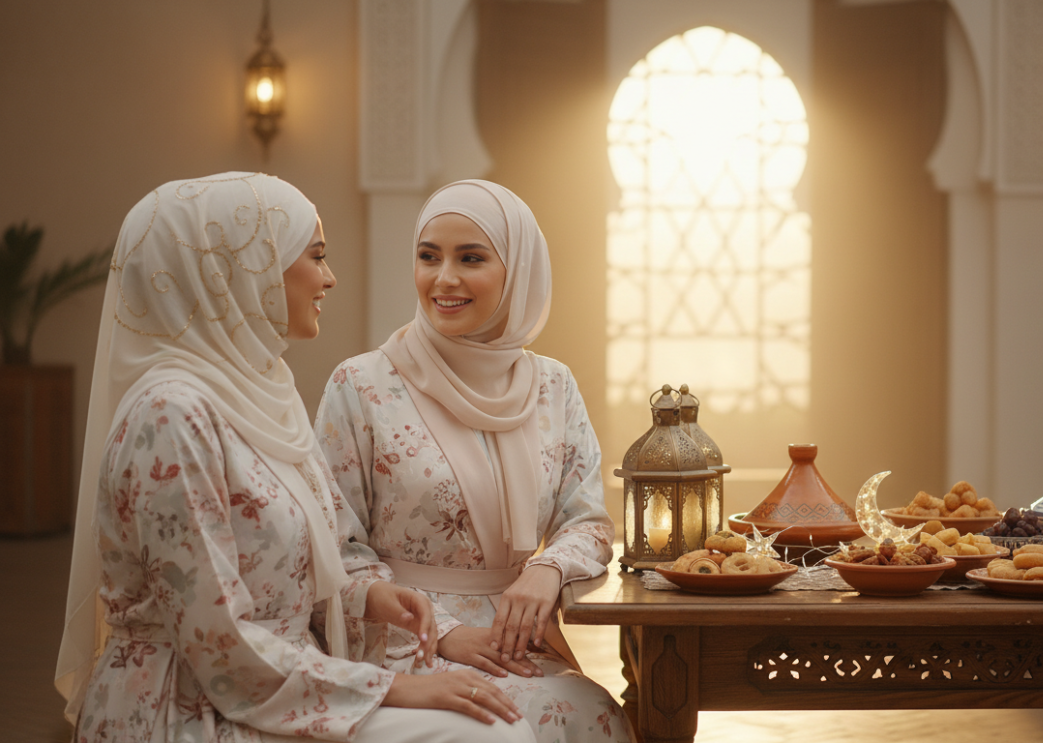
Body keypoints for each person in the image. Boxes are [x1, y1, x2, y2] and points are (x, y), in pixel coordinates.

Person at [54, 172, 535, 743]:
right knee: (491, 734)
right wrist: (392, 687)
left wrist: (373, 596)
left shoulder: (261, 394)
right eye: (316, 255)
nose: (329, 278)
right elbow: (215, 641)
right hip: (194, 706)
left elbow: (312, 550)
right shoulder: (170, 417)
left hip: (287, 681)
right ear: (240, 267)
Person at [314, 180, 632, 743]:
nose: (444, 279)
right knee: (507, 725)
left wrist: (546, 569)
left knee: (592, 713)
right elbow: (332, 550)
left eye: (472, 258)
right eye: (428, 256)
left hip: (519, 641)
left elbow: (586, 522)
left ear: (518, 272)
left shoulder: (553, 386)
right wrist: (442, 634)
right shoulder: (361, 384)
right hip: (399, 644)